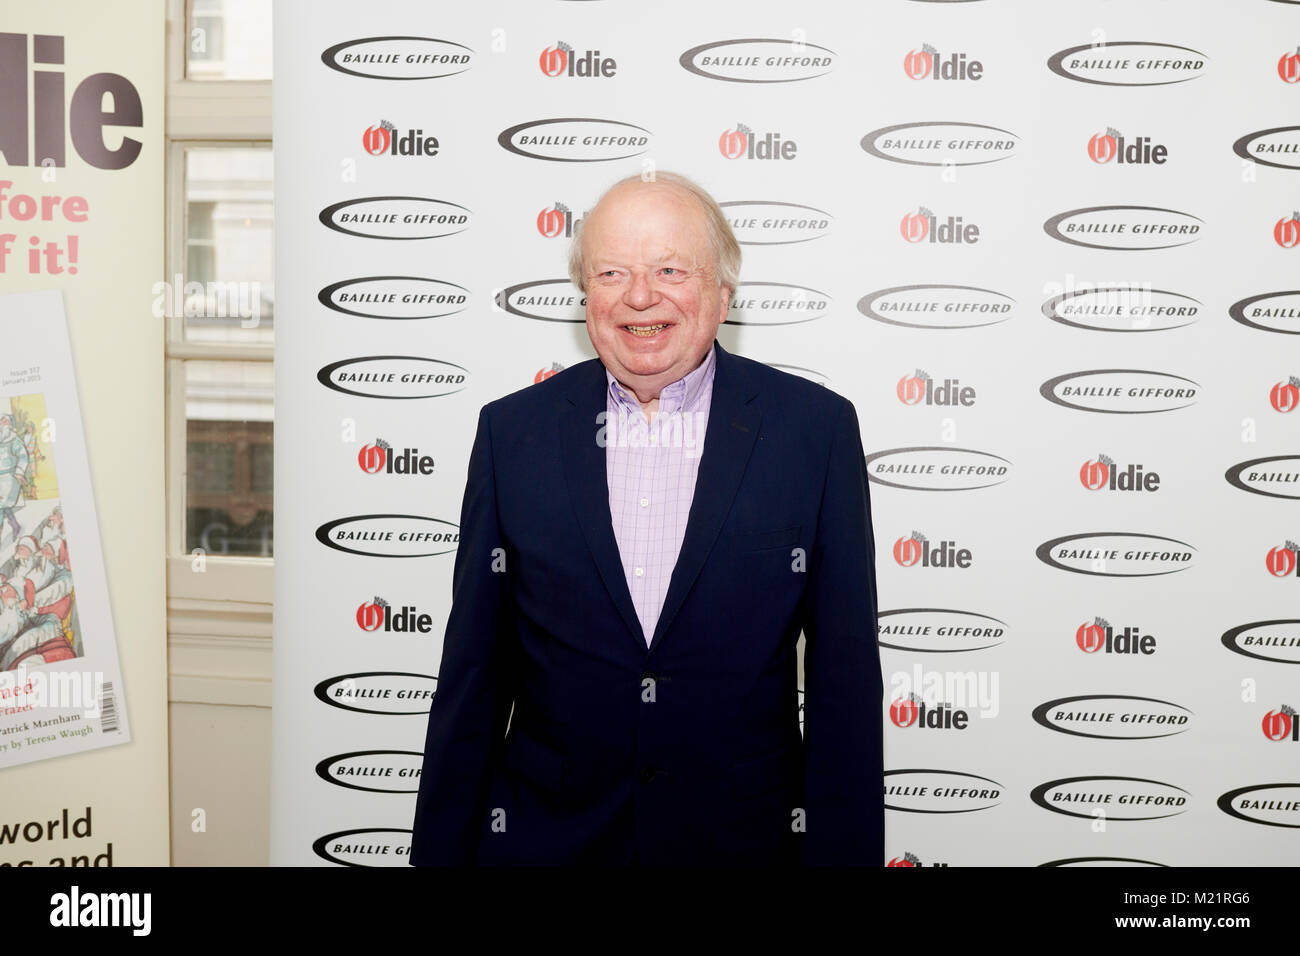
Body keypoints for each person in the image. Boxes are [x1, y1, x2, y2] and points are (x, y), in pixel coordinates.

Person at [411, 171, 882, 866]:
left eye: (669, 269)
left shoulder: (814, 433)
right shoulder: (512, 435)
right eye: (611, 272)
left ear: (722, 295)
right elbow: (474, 678)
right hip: (548, 843)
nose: (639, 296)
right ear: (585, 295)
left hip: (742, 848)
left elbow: (844, 687)